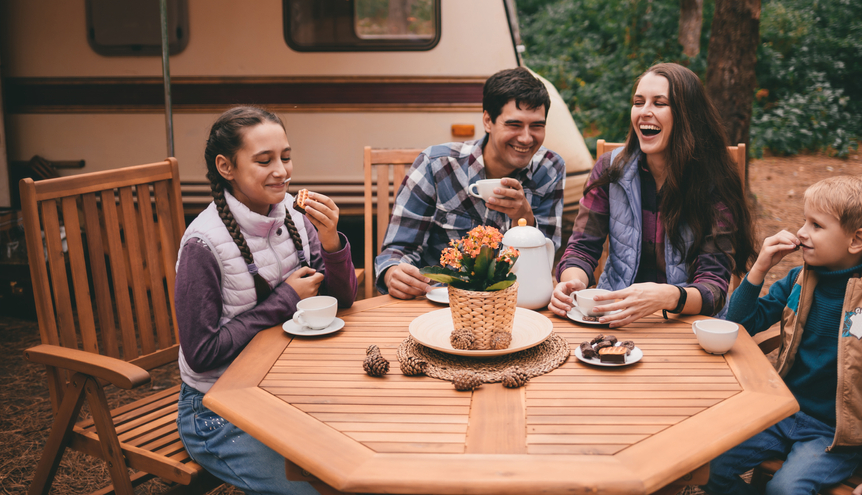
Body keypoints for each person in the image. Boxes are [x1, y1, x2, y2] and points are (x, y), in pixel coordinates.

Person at [175, 106, 357, 495]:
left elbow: (339, 302)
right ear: (227, 167)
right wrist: (285, 299)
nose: (282, 171)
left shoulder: (294, 214)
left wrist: (331, 243)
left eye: (286, 157)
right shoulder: (203, 244)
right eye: (264, 160)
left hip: (288, 390)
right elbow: (201, 353)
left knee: (363, 470)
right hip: (216, 410)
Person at [705, 175, 862, 495]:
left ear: (856, 241)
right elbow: (740, 323)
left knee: (785, 490)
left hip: (835, 434)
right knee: (711, 467)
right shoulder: (799, 280)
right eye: (805, 221)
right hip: (782, 412)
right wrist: (758, 269)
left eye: (816, 225)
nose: (801, 232)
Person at [548, 62, 755, 327]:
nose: (644, 112)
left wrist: (667, 296)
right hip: (613, 315)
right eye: (638, 102)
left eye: (659, 103)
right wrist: (572, 282)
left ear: (687, 115)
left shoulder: (714, 179)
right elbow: (581, 249)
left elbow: (714, 289)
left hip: (686, 323)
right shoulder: (610, 169)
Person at [376, 67, 566, 299]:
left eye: (537, 126)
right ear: (488, 121)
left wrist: (523, 217)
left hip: (514, 305)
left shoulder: (549, 168)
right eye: (514, 125)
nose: (526, 138)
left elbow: (545, 265)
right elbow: (398, 250)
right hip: (441, 303)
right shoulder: (436, 165)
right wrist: (393, 273)